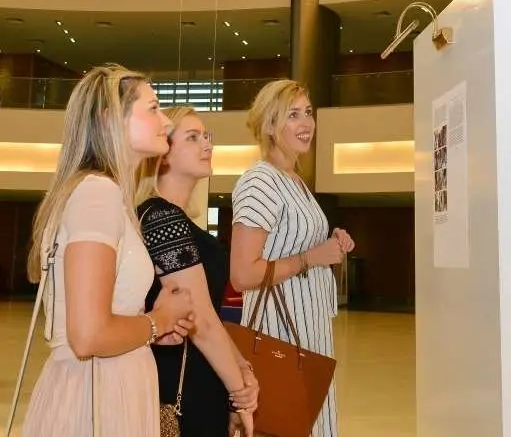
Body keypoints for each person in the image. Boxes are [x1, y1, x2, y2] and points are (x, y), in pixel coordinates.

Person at [22, 64, 195, 437]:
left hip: (107, 384)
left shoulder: (104, 195)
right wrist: (160, 320)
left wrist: (146, 328)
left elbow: (101, 321)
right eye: (153, 108)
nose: (165, 120)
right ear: (109, 118)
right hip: (96, 395)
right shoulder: (98, 194)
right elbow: (87, 336)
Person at [230, 80, 355, 437]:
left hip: (310, 334)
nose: (307, 123)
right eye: (293, 115)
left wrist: (330, 242)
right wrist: (309, 258)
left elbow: (294, 244)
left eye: (309, 113)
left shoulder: (295, 180)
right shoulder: (260, 182)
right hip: (280, 337)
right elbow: (242, 273)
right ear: (270, 125)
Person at [137, 106, 259, 437]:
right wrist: (240, 393)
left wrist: (242, 371)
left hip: (200, 379)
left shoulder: (180, 223)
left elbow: (211, 318)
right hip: (179, 385)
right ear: (164, 155)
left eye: (207, 136)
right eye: (193, 137)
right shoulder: (160, 218)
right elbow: (200, 320)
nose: (207, 145)